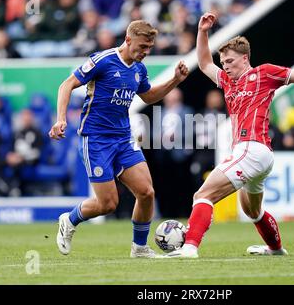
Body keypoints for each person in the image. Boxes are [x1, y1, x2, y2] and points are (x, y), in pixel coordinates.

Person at [166, 12, 294, 258]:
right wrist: (203, 31)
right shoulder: (228, 83)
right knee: (252, 211)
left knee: (203, 194)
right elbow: (206, 63)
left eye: (229, 61)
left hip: (252, 148)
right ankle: (276, 249)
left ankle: (189, 248)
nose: (225, 66)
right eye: (224, 62)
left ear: (245, 58)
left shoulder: (264, 73)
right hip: (257, 155)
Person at [49, 20, 189, 258]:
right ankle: (69, 219)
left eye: (149, 47)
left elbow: (148, 96)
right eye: (142, 46)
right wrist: (61, 119)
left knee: (146, 192)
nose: (145, 52)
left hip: (123, 138)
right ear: (128, 40)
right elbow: (67, 84)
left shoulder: (139, 69)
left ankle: (140, 248)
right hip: (96, 139)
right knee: (108, 204)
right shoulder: (103, 61)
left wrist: (174, 80)